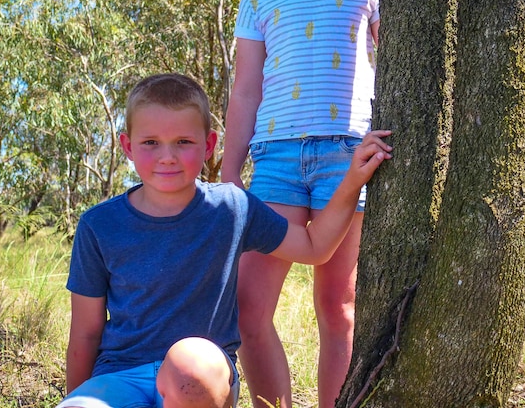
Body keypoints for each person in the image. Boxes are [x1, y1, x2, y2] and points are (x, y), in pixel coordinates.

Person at [57, 73, 391, 408]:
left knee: (189, 367)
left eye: (184, 142)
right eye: (150, 143)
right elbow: (85, 334)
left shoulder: (230, 208)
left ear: (209, 145)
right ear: (127, 146)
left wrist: (352, 180)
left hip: (203, 377)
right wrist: (77, 398)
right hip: (121, 377)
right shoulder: (99, 225)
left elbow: (314, 247)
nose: (167, 156)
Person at [221, 0, 380, 408]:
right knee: (248, 307)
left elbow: (395, 59)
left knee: (338, 305)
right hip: (277, 162)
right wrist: (228, 172)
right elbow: (246, 91)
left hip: (347, 158)